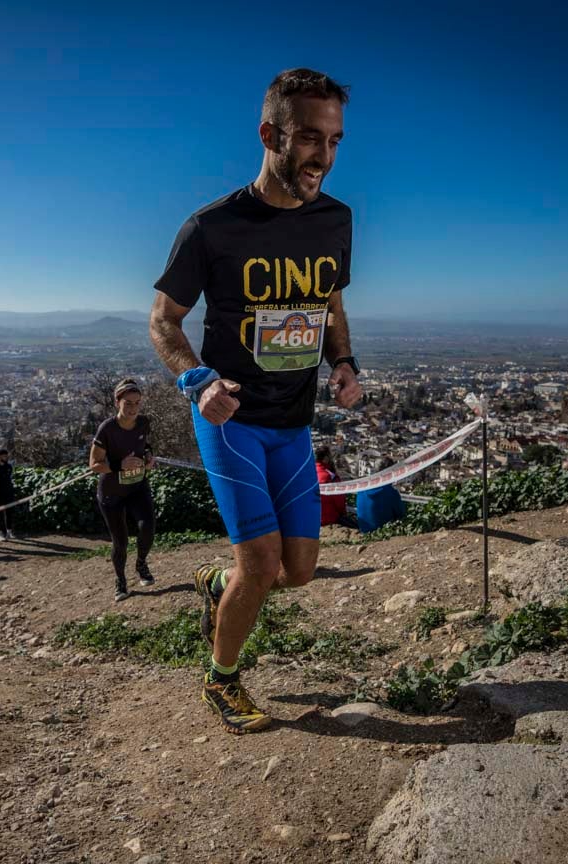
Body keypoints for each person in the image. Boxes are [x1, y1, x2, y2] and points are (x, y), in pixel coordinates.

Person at [149, 68, 363, 734]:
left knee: (298, 571)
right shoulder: (211, 227)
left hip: (293, 423)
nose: (324, 157)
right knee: (262, 561)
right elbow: (163, 321)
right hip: (231, 419)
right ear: (270, 135)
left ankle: (218, 585)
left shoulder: (336, 220)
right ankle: (221, 681)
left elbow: (330, 302)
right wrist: (199, 382)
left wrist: (343, 362)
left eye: (335, 140)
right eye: (309, 138)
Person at [89, 378, 157, 602]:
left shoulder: (143, 422)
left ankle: (141, 564)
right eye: (128, 403)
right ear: (117, 402)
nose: (133, 408)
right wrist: (120, 465)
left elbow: (144, 446)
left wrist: (148, 457)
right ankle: (120, 580)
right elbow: (94, 464)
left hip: (137, 486)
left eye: (137, 403)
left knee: (147, 528)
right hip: (112, 492)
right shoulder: (107, 428)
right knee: (120, 542)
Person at [356, 457, 407, 534]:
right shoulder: (390, 492)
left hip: (364, 531)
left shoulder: (362, 488)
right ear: (390, 473)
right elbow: (401, 513)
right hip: (384, 533)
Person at [314, 446, 357, 529]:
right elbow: (339, 500)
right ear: (326, 458)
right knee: (357, 527)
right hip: (330, 517)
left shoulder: (311, 472)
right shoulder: (330, 476)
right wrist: (343, 513)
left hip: (314, 517)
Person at [0, 448, 17, 541]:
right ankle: (0, 533)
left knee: (10, 512)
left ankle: (9, 531)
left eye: (6, 455)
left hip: (9, 493)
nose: (6, 457)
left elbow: (10, 478)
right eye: (4, 456)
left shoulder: (9, 467)